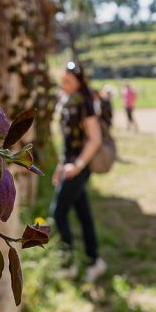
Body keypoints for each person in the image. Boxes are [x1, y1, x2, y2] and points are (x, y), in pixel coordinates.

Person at [52, 61, 107, 282]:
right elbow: (66, 142)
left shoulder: (84, 103)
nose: (63, 84)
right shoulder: (67, 101)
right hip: (69, 165)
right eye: (62, 80)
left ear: (79, 82)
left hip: (80, 167)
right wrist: (60, 166)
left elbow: (95, 139)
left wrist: (78, 166)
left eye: (68, 81)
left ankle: (68, 265)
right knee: (83, 214)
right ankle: (95, 261)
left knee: (58, 212)